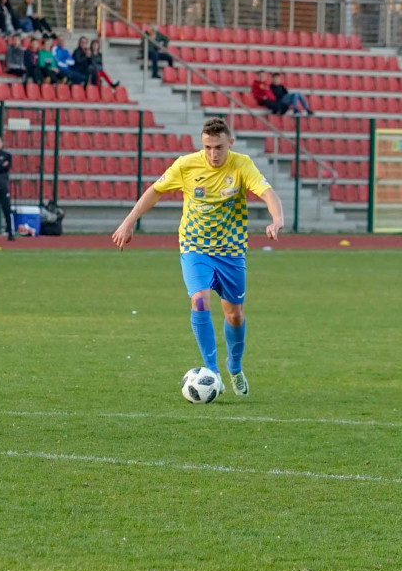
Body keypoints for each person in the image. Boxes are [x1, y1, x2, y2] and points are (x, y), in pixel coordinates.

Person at [112, 118, 284, 397]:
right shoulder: (186, 165)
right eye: (207, 147)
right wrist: (128, 221)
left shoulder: (241, 164)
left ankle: (235, 366)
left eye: (218, 147)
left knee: (235, 314)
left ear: (231, 143)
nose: (213, 154)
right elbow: (155, 191)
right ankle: (212, 371)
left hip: (231, 250)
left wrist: (277, 220)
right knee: (200, 300)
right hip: (195, 247)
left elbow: (268, 193)